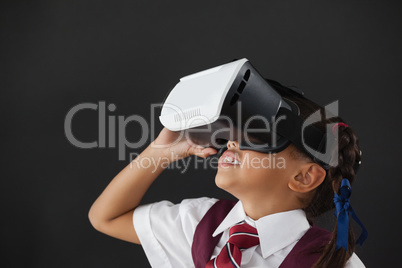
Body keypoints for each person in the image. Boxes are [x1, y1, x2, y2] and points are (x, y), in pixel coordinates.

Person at [88, 81, 366, 267]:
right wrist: (161, 152)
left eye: (257, 135)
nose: (232, 141)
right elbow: (106, 217)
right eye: (235, 130)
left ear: (304, 177)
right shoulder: (198, 224)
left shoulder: (334, 262)